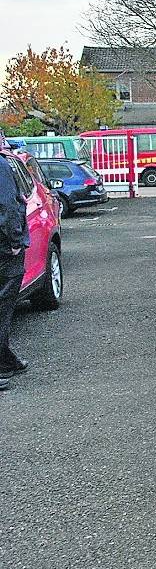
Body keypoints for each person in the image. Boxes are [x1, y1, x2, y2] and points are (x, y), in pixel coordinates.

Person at [0, 152, 30, 391]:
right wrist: (15, 240)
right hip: (3, 247)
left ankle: (6, 357)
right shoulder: (1, 165)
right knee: (3, 305)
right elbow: (8, 206)